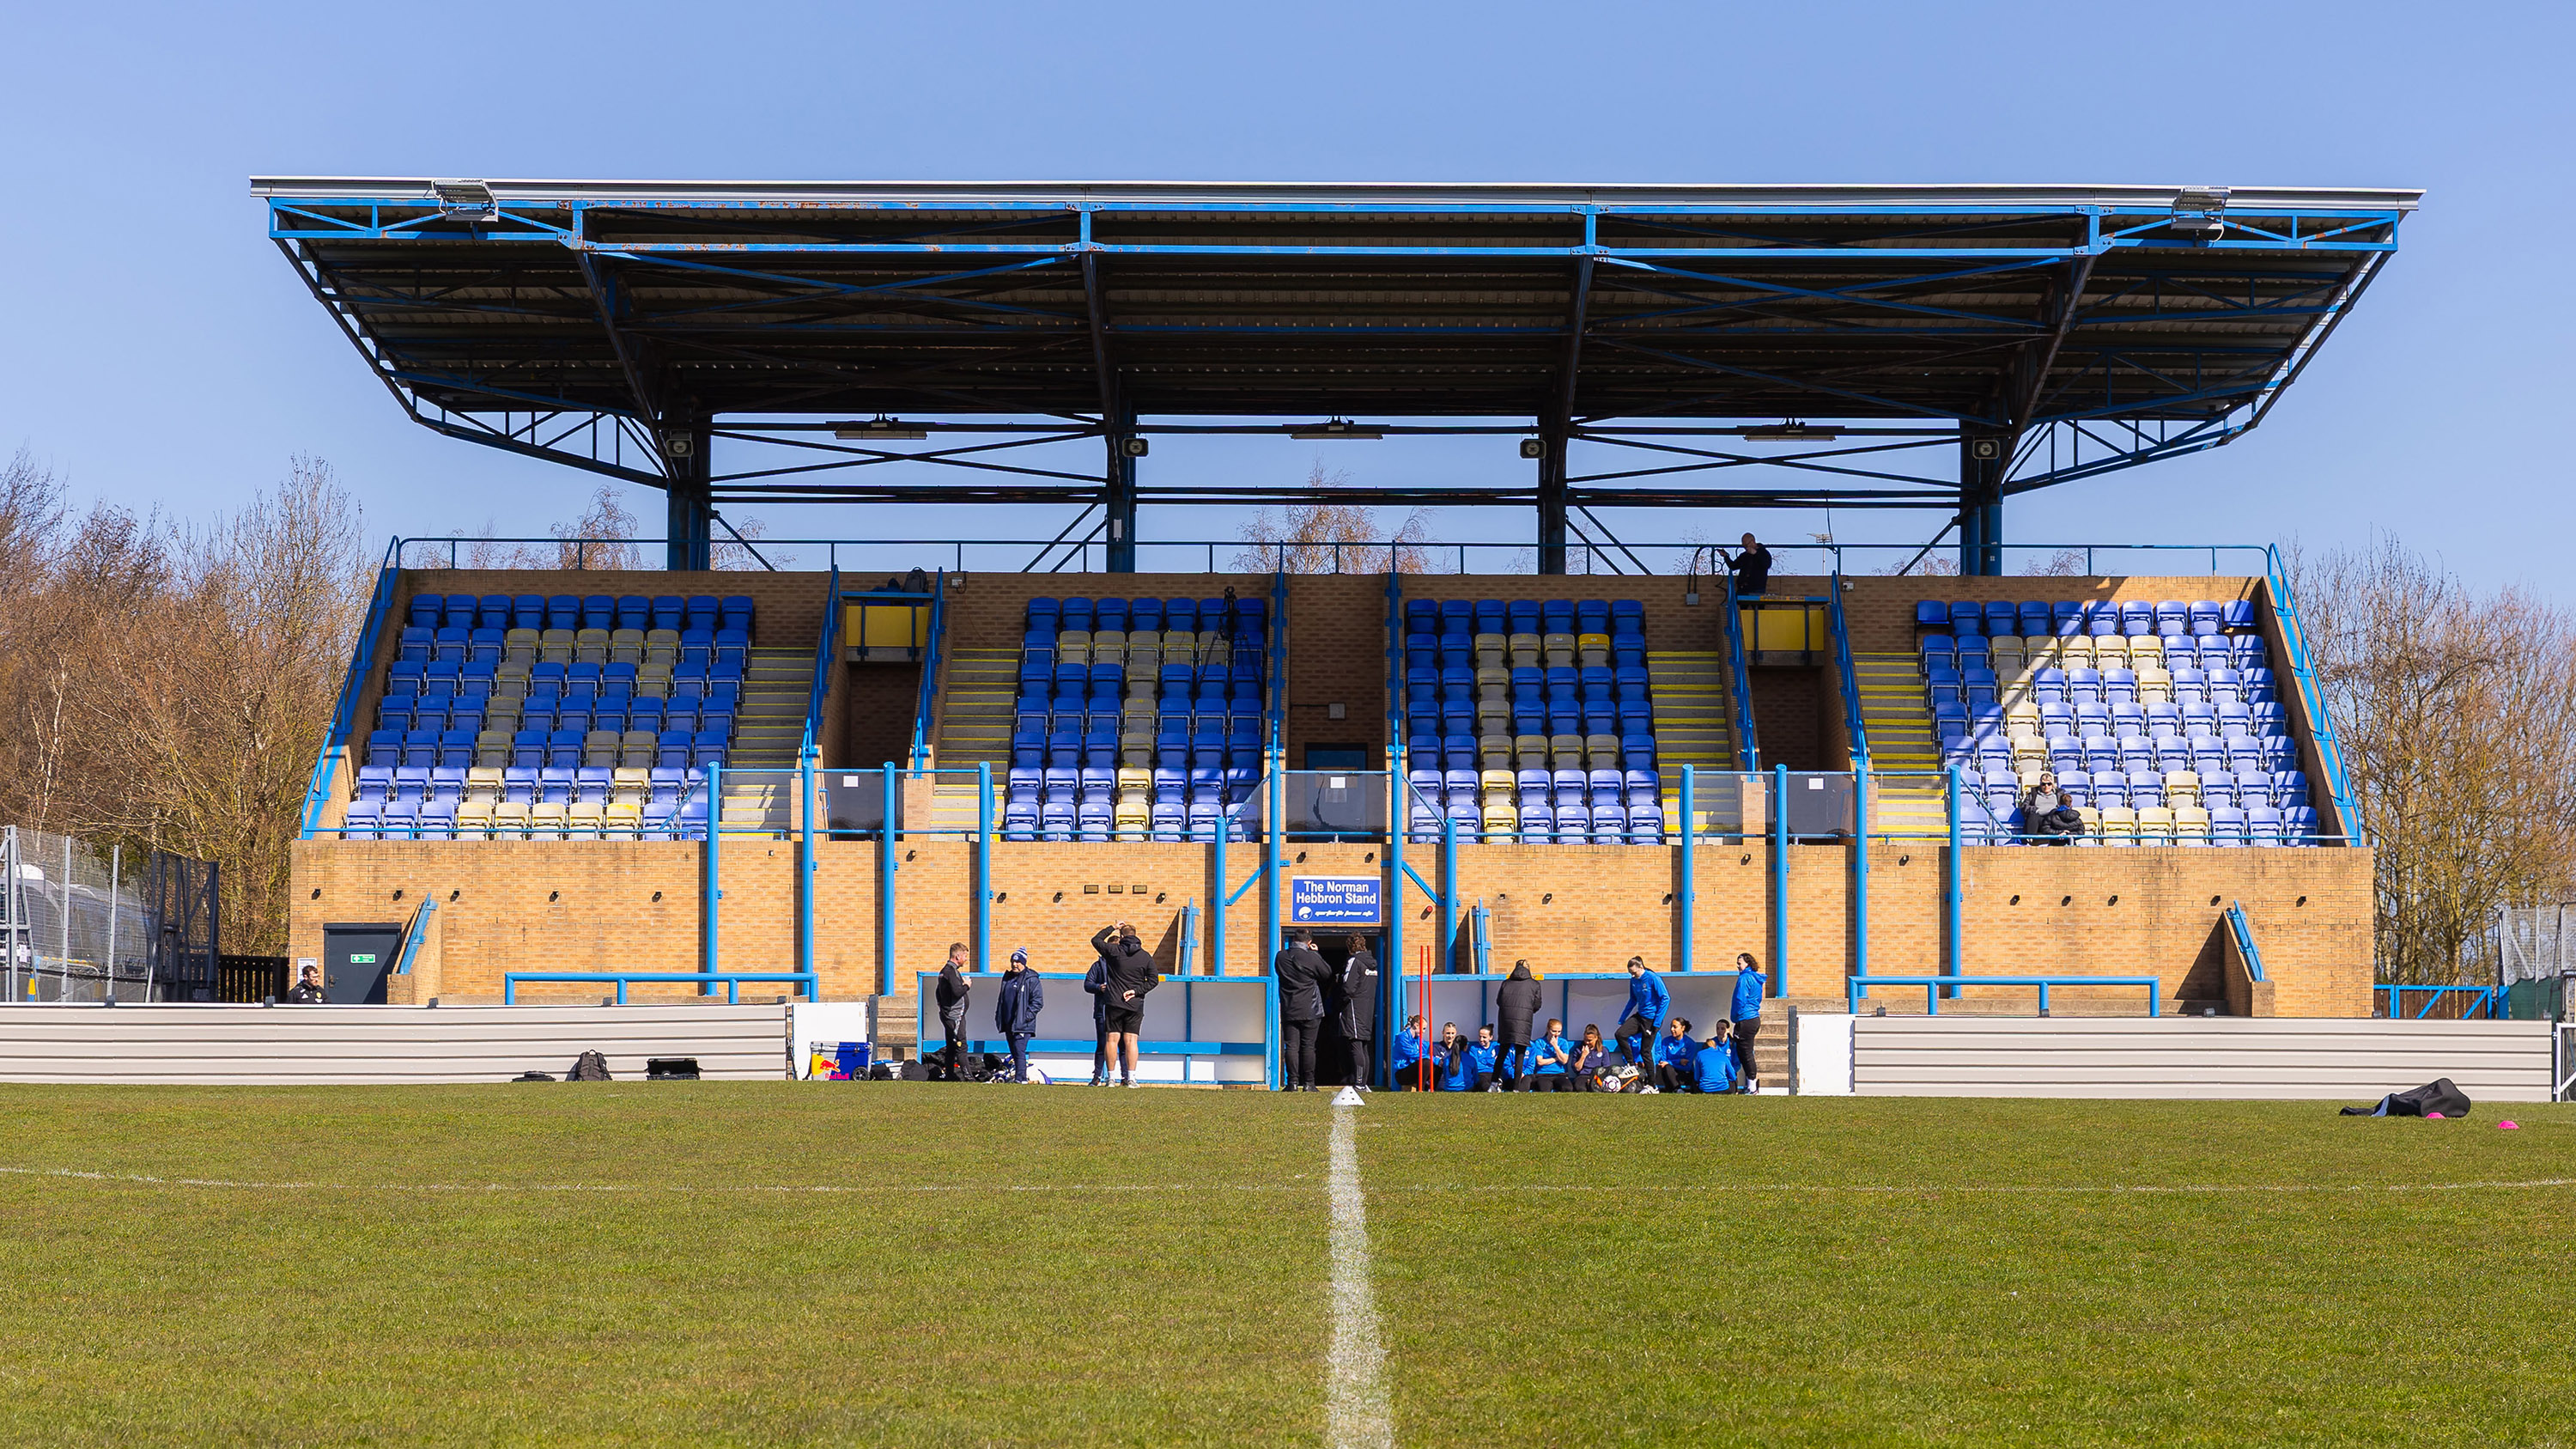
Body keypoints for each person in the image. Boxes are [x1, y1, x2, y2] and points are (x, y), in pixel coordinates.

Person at [1091, 921, 1159, 1088]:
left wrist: (1111, 927)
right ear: (1136, 936)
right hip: (1135, 1004)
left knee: (1112, 1040)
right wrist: (1136, 991)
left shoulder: (1114, 951)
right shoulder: (1145, 956)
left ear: (1121, 936)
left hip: (1114, 1002)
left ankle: (1111, 1079)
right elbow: (1154, 980)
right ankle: (1131, 1078)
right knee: (1131, 1041)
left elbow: (1096, 940)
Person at [1273, 929, 1331, 1093]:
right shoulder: (1312, 957)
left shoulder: (1281, 956)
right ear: (1308, 942)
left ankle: (1291, 1083)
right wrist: (1316, 954)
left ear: (1293, 940)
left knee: (1291, 1046)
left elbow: (1279, 973)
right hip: (1310, 1008)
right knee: (1308, 1047)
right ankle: (1309, 1084)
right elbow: (1326, 973)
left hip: (1289, 1007)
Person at [993, 947, 1044, 1083]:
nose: (1014, 964)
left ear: (1024, 963)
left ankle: (1020, 1079)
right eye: (1012, 961)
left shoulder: (1031, 979)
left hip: (1023, 1024)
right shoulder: (1008, 978)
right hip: (1009, 1023)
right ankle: (1020, 1077)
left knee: (1019, 1050)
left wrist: (1026, 1017)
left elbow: (1038, 1002)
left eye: (1017, 962)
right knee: (1014, 1052)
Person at [1335, 936, 1379, 1091]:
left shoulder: (1354, 961)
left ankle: (1359, 1083)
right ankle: (1364, 1083)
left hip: (1354, 1007)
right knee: (1363, 1045)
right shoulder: (1372, 963)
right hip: (1368, 1007)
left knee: (1355, 1044)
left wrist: (1340, 1001)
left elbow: (1348, 987)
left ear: (1349, 947)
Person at [1616, 955, 1669, 1068]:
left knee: (1645, 1052)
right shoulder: (1633, 981)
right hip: (1640, 1016)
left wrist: (1657, 1022)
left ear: (1641, 967)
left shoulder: (1652, 978)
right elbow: (1633, 999)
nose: (1633, 975)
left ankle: (1652, 1084)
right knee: (1620, 1034)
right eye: (1630, 973)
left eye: (1634, 972)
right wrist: (1622, 1018)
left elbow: (1665, 998)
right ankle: (1631, 1065)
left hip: (1651, 1019)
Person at [1494, 959, 1542, 1083]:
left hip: (1506, 1022)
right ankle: (1517, 1087)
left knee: (1502, 1053)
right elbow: (1537, 1005)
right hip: (1524, 1022)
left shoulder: (1506, 983)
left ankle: (1494, 1083)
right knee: (1520, 1054)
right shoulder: (1534, 984)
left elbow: (1499, 1001)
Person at [934, 942, 972, 1080]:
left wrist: (941, 1005)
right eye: (965, 956)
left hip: (950, 1015)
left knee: (951, 1046)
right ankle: (969, 1077)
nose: (966, 959)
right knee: (961, 1046)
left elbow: (938, 992)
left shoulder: (946, 971)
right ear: (958, 956)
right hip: (955, 1016)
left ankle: (949, 1075)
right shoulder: (950, 971)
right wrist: (967, 985)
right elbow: (957, 992)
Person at [1729, 952, 1767, 1093]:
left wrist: (1736, 1016)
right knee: (1744, 1051)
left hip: (1745, 1019)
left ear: (1748, 964)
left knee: (1745, 1052)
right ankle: (1750, 1084)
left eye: (1740, 963)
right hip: (1753, 1018)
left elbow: (1740, 999)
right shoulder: (1756, 979)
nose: (1738, 966)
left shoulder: (1745, 978)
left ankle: (1752, 1086)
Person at [1081, 947, 1112, 1086]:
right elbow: (1088, 984)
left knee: (1123, 1044)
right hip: (1102, 1010)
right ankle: (1097, 1076)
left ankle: (1125, 1077)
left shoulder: (1123, 964)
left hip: (1121, 1011)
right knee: (1102, 1044)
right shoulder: (1098, 966)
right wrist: (1099, 987)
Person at [2025, 772, 2083, 842]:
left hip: (2054, 819)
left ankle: (2063, 837)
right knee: (2033, 816)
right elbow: (2024, 807)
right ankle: (2030, 840)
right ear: (2040, 784)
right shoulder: (2033, 794)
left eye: (2049, 784)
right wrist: (2036, 810)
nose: (2046, 786)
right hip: (2039, 819)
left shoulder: (2059, 794)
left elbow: (2066, 807)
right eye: (2043, 784)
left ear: (2052, 785)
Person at [1523, 1019, 1573, 1092]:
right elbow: (1540, 1062)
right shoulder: (1540, 1042)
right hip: (1543, 1074)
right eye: (1554, 1031)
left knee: (1567, 1088)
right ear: (1548, 1029)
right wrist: (1556, 1059)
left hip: (1559, 1074)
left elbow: (1564, 1061)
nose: (1556, 1034)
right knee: (1544, 1089)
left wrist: (1555, 1046)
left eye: (1559, 1032)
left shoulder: (1563, 1042)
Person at [1651, 1016, 1697, 1093]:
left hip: (1683, 1075)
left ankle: (1675, 1089)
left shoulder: (1690, 1043)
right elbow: (1663, 1062)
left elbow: (1688, 1067)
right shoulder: (1666, 1041)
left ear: (1683, 1028)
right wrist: (1679, 1061)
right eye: (1671, 1027)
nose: (1672, 1029)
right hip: (1668, 1072)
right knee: (1666, 1068)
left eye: (1675, 1027)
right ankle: (1678, 1089)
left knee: (1669, 1067)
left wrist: (1670, 1062)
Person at [1692, 1024, 1741, 1094]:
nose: (1720, 1031)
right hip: (1723, 1088)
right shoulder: (1723, 1055)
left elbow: (1696, 1077)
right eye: (1718, 1028)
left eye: (1722, 1028)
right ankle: (1735, 1092)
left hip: (1705, 1088)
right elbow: (1733, 1076)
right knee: (1733, 1079)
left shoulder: (1700, 1054)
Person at [1388, 1014, 1431, 1089]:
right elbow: (1414, 1054)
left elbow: (1426, 1048)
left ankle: (1432, 1088)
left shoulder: (1418, 1040)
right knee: (1426, 1063)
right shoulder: (1403, 1038)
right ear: (1416, 1025)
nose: (1423, 1032)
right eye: (1423, 1029)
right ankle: (1421, 1089)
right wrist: (1434, 1059)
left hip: (1412, 1068)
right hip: (1402, 1072)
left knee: (1436, 1065)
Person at [1729, 533, 1774, 597]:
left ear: (1752, 541)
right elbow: (1733, 566)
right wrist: (1726, 556)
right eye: (1744, 546)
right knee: (1740, 605)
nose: (1745, 548)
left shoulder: (1763, 552)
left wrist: (1756, 554)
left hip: (1758, 588)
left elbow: (1767, 565)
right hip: (1743, 588)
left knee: (1758, 606)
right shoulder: (1744, 555)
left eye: (1746, 545)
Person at [1431, 1022, 1472, 1092]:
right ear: (1443, 1033)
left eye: (1452, 1033)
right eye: (1448, 1033)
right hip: (1440, 1080)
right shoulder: (1436, 1048)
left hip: (1457, 1081)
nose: (1450, 1036)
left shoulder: (1460, 1049)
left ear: (1456, 1033)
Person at [1570, 1024, 1611, 1092]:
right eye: (1585, 1040)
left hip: (1597, 1076)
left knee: (1597, 1088)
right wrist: (1583, 1056)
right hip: (1583, 1075)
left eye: (1590, 1040)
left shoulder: (1603, 1050)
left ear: (1596, 1038)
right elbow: (1576, 1069)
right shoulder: (1578, 1049)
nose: (1587, 1042)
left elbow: (1606, 1068)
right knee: (1580, 1088)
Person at [1465, 1026, 1502, 1092]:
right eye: (1480, 1036)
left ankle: (1496, 1090)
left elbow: (1500, 1063)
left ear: (1491, 1037)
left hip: (1494, 1073)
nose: (1481, 1039)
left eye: (1484, 1037)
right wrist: (1492, 1061)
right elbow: (1476, 1065)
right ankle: (1490, 1091)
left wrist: (1484, 1061)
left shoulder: (1496, 1047)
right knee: (1483, 1083)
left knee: (1497, 1081)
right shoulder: (1474, 1048)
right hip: (1481, 1073)